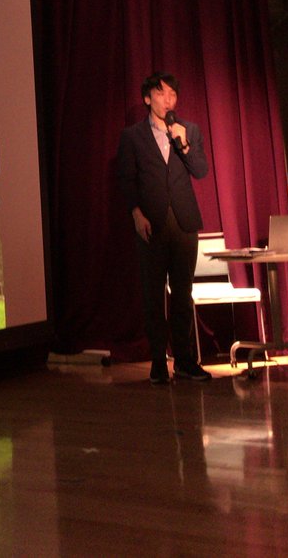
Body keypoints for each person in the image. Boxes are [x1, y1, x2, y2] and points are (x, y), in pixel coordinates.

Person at [116, 72, 211, 384]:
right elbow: (127, 179)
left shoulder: (188, 131)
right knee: (153, 296)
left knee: (183, 294)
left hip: (184, 222)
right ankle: (158, 361)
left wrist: (184, 144)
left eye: (172, 94)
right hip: (151, 224)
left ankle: (185, 361)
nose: (168, 100)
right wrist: (135, 213)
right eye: (161, 93)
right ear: (148, 98)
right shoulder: (132, 136)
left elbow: (200, 171)